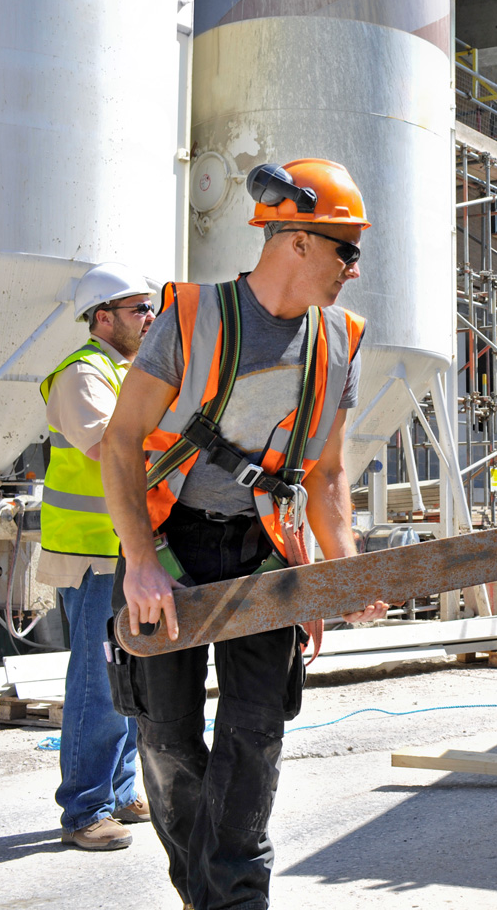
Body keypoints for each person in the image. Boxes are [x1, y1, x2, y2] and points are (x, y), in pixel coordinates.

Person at [101, 159, 388, 909]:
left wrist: (344, 568)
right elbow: (124, 440)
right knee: (165, 738)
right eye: (346, 249)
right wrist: (140, 562)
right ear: (294, 240)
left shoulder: (340, 341)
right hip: (170, 545)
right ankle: (205, 892)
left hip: (265, 552)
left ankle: (232, 899)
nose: (355, 269)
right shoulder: (190, 318)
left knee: (254, 737)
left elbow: (325, 475)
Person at [38, 262, 157, 851]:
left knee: (129, 674)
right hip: (93, 556)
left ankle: (121, 790)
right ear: (102, 317)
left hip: (125, 552)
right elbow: (109, 445)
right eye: (139, 309)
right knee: (97, 683)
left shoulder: (129, 372)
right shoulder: (83, 374)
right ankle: (85, 809)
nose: (150, 318)